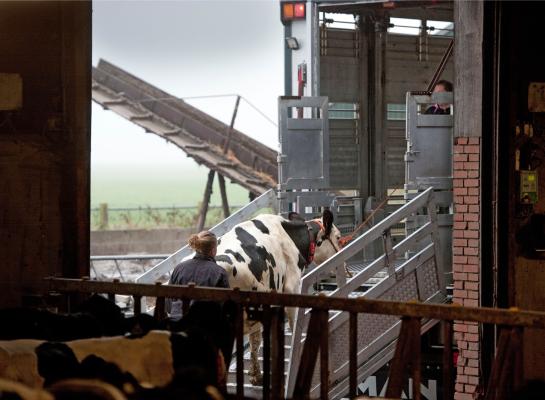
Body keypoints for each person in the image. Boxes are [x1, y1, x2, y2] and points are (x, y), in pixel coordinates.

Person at [168, 230, 229, 317]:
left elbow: (169, 306)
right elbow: (225, 308)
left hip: (178, 324)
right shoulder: (219, 272)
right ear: (213, 250)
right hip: (205, 327)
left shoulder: (179, 268)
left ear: (196, 248)